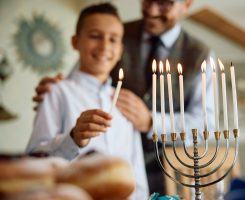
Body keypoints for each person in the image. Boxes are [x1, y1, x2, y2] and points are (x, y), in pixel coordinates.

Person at [32, 0, 215, 194]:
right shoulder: (116, 31)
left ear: (186, 4)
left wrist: (152, 122)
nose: (152, 11)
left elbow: (206, 125)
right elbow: (81, 83)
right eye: (147, 1)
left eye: (164, 3)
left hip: (167, 172)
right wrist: (55, 90)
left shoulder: (200, 56)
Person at [26, 3, 149, 199]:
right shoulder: (56, 92)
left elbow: (137, 176)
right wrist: (73, 138)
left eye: (113, 39)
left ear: (120, 48)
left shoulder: (127, 103)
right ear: (75, 42)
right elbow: (35, 160)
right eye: (95, 36)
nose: (104, 46)